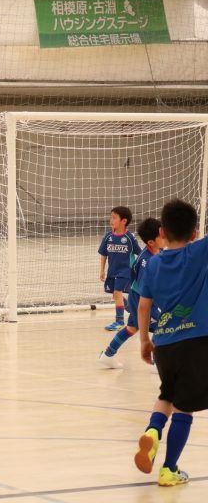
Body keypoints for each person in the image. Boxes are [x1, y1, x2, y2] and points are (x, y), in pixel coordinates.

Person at [134, 199, 208, 486]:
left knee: (167, 395)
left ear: (162, 232)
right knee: (184, 407)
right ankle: (169, 469)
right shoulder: (199, 252)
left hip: (164, 344)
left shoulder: (153, 264)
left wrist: (144, 340)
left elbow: (143, 306)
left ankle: (152, 432)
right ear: (195, 233)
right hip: (196, 343)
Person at [98, 217, 164, 369]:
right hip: (141, 300)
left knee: (132, 328)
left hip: (141, 298)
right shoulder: (146, 261)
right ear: (151, 242)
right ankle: (157, 363)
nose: (166, 237)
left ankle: (107, 355)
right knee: (162, 326)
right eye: (162, 235)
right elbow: (144, 289)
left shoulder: (158, 252)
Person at [98, 206, 141, 331]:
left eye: (114, 218)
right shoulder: (108, 236)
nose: (111, 220)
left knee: (117, 293)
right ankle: (134, 311)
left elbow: (139, 253)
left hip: (125, 272)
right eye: (111, 217)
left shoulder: (129, 237)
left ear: (124, 221)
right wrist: (102, 270)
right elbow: (103, 254)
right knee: (116, 296)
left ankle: (119, 321)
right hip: (112, 271)